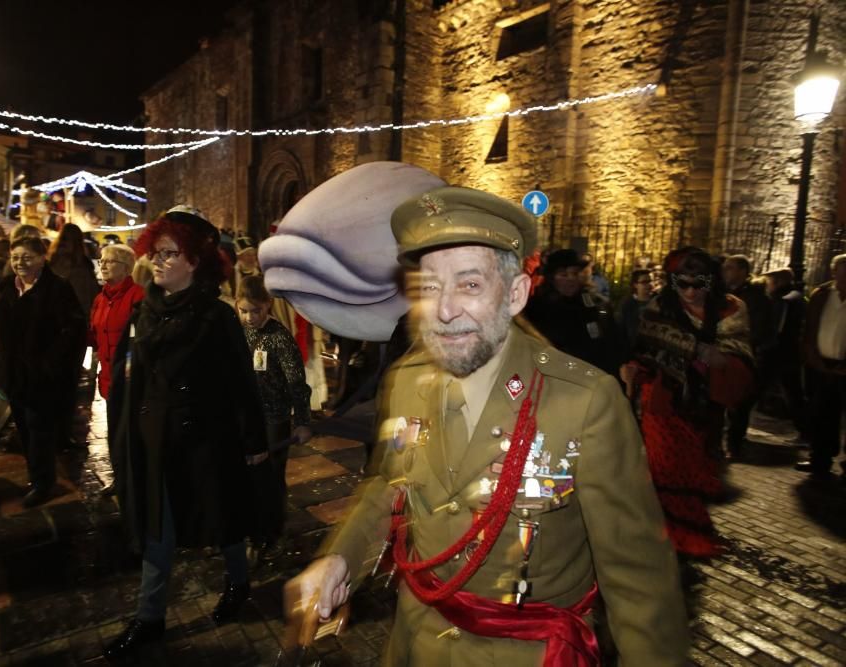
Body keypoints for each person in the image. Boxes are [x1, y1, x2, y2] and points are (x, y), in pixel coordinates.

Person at [287, 186, 689, 665]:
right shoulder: (406, 380)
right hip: (416, 647)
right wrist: (342, 558)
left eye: (470, 285)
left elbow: (639, 579)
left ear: (516, 294)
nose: (444, 309)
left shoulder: (585, 402)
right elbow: (389, 485)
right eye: (429, 287)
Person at [103, 205, 269, 659]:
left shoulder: (216, 316)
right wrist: (122, 429)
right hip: (153, 440)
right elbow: (126, 375)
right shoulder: (145, 311)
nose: (157, 262)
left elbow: (241, 381)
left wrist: (253, 440)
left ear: (195, 262)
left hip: (204, 441)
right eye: (155, 253)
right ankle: (150, 617)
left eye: (170, 254)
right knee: (158, 528)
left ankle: (238, 583)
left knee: (224, 519)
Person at [622, 247, 754, 557]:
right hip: (662, 404)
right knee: (664, 467)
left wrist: (716, 358)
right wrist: (633, 369)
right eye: (683, 284)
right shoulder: (659, 308)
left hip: (705, 406)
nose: (691, 292)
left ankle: (681, 533)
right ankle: (663, 534)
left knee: (694, 470)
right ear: (672, 282)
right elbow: (643, 351)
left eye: (699, 284)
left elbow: (741, 355)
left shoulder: (731, 310)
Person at [0, 236, 87, 508]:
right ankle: (36, 476)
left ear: (42, 258)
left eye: (27, 257)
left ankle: (43, 483)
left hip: (42, 378)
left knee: (40, 429)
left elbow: (72, 331)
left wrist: (49, 364)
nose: (20, 263)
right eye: (16, 257)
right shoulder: (5, 289)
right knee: (25, 429)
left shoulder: (57, 290)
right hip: (13, 375)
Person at [235, 275, 312, 554]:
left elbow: (296, 382)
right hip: (249, 418)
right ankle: (253, 526)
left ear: (268, 305)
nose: (250, 317)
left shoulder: (279, 338)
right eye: (244, 310)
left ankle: (271, 528)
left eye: (256, 310)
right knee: (250, 475)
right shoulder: (240, 332)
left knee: (270, 476)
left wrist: (302, 421)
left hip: (275, 418)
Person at [89, 243, 144, 495]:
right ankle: (120, 479)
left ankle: (136, 480)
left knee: (132, 433)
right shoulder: (100, 299)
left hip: (132, 379)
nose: (102, 264)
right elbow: (95, 336)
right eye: (101, 260)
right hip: (109, 378)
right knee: (115, 434)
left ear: (126, 267)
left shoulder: (138, 297)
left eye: (109, 261)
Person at [523, 248, 621, 376]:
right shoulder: (537, 308)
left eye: (575, 273)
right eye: (564, 275)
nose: (571, 279)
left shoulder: (593, 304)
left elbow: (610, 341)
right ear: (552, 278)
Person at [798, 254, 846, 479]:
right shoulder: (822, 295)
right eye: (841, 272)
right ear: (834, 272)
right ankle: (820, 459)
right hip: (821, 364)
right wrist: (813, 359)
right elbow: (809, 330)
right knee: (822, 415)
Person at [722, 254, 772, 459]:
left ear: (743, 271)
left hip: (744, 355)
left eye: (730, 268)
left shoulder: (756, 298)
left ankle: (734, 445)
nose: (725, 272)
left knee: (740, 404)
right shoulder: (724, 294)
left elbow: (761, 330)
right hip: (723, 353)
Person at [760, 268, 806, 436]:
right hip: (787, 353)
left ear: (778, 282)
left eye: (769, 282)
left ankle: (806, 432)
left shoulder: (784, 300)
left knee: (753, 391)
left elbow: (777, 330)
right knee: (794, 394)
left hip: (778, 354)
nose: (767, 286)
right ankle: (806, 432)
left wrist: (764, 347)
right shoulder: (796, 297)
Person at [48, 222, 100, 318]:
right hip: (76, 316)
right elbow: (89, 295)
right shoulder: (83, 265)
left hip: (53, 314)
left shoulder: (51, 262)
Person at [616, 268, 654, 356]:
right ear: (635, 285)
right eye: (644, 282)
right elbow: (621, 328)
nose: (648, 285)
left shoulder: (657, 302)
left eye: (649, 281)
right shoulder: (627, 304)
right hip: (632, 351)